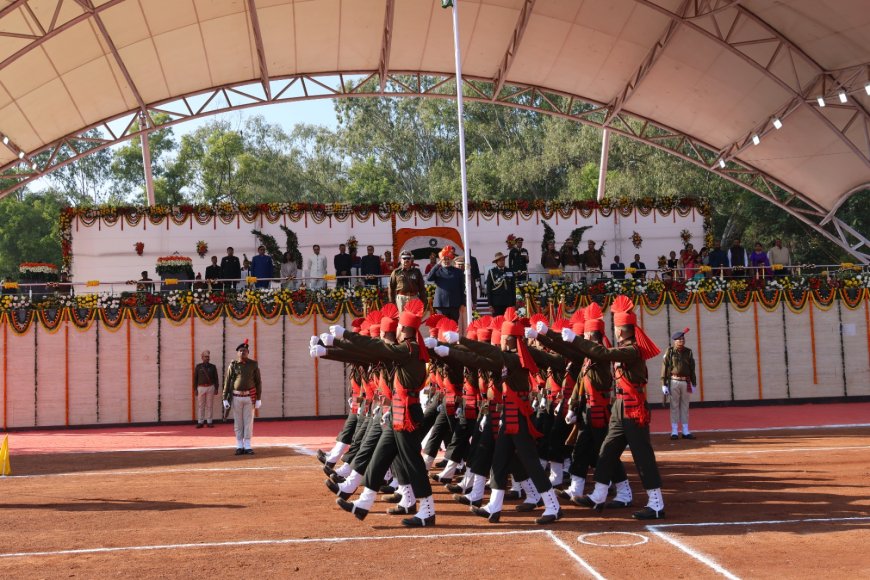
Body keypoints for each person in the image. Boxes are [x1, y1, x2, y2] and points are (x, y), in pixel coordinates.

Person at [564, 295, 666, 520]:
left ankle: (656, 502)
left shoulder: (632, 350)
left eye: (618, 327)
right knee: (607, 451)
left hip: (633, 408)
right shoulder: (624, 348)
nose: (616, 331)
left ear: (623, 329)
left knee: (642, 456)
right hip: (620, 407)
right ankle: (599, 495)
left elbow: (604, 354)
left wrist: (574, 340)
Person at [222, 339, 262, 455]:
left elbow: (258, 382)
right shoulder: (233, 365)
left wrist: (258, 398)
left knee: (248, 422)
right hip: (236, 397)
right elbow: (227, 381)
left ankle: (248, 445)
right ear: (237, 353)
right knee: (238, 422)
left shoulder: (253, 364)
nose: (242, 352)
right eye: (240, 351)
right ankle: (239, 445)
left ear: (248, 352)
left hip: (249, 397)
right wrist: (225, 398)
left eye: (244, 350)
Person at [661, 328, 697, 440]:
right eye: (679, 339)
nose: (682, 341)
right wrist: (664, 383)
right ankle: (674, 431)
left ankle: (685, 431)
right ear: (675, 341)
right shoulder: (670, 351)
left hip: (685, 381)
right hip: (674, 381)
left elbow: (692, 368)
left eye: (683, 339)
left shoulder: (688, 352)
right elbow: (664, 367)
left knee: (685, 406)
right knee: (674, 406)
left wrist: (694, 382)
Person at [426, 247, 464, 322]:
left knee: (453, 326)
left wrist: (462, 303)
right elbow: (428, 278)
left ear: (451, 259)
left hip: (454, 304)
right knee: (442, 326)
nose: (446, 261)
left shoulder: (458, 272)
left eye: (448, 259)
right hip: (441, 304)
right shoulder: (437, 271)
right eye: (444, 259)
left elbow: (462, 288)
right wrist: (437, 264)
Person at [193, 350, 219, 428]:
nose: (207, 358)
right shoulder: (198, 366)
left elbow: (216, 378)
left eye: (208, 357)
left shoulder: (213, 366)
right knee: (201, 405)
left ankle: (209, 422)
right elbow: (195, 379)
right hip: (201, 387)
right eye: (205, 357)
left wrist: (216, 388)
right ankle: (200, 422)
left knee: (209, 405)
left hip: (210, 387)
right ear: (202, 358)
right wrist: (195, 389)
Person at [486, 252, 515, 316]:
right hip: (497, 303)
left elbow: (513, 288)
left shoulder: (509, 271)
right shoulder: (492, 272)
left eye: (503, 260)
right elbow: (488, 289)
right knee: (497, 323)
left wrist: (513, 304)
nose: (502, 262)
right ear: (496, 262)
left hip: (508, 302)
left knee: (508, 323)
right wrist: (490, 304)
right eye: (500, 260)